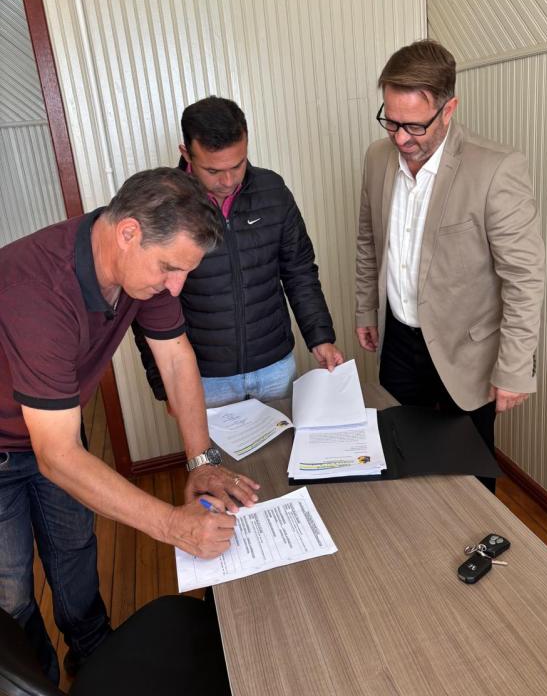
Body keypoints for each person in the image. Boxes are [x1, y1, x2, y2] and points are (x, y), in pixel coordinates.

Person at [0, 167, 259, 684]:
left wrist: (202, 461)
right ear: (128, 232)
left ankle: (93, 661)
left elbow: (177, 359)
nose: (175, 286)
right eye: (170, 269)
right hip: (9, 445)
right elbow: (57, 456)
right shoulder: (36, 288)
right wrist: (172, 525)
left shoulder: (145, 269)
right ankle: (37, 682)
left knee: (75, 554)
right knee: (11, 591)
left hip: (55, 431)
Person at [355, 40, 545, 490]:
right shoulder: (377, 158)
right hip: (399, 341)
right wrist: (366, 310)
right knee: (401, 459)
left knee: (470, 473)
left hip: (467, 351)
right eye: (391, 121)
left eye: (414, 126)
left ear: (449, 109)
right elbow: (368, 240)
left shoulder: (496, 168)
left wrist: (515, 368)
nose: (401, 138)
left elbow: (524, 278)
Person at [135, 96, 344, 407]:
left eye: (238, 165)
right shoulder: (162, 205)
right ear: (186, 153)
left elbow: (299, 271)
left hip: (275, 366)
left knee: (286, 440)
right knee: (209, 444)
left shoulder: (273, 192)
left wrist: (321, 337)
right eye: (213, 170)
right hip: (202, 376)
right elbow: (144, 298)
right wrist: (164, 384)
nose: (228, 181)